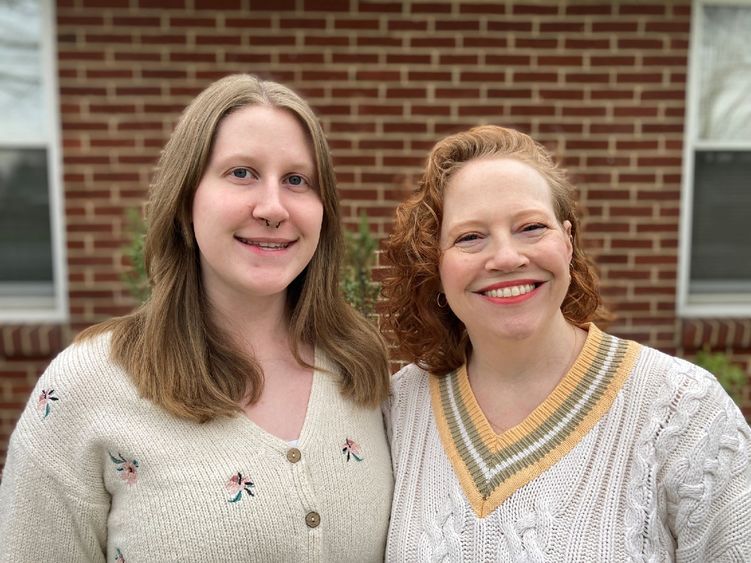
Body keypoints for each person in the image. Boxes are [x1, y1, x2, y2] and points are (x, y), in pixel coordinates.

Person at [0, 74, 393, 561]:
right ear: (186, 202)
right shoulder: (88, 386)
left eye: (297, 180)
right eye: (241, 173)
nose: (273, 208)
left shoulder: (360, 369)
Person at [381, 125, 751, 561]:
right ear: (436, 263)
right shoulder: (400, 408)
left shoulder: (682, 411)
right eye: (470, 237)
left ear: (568, 241)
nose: (506, 258)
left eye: (531, 227)